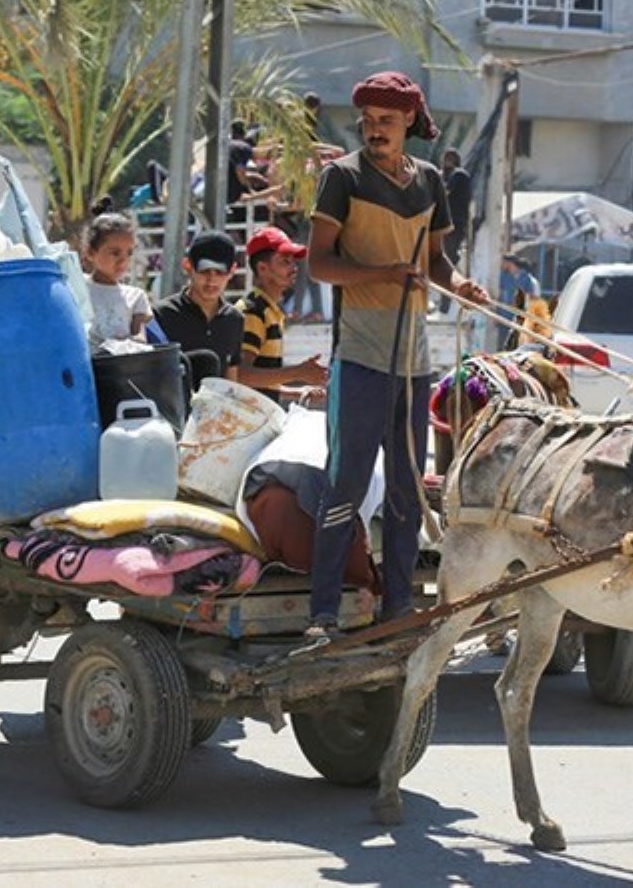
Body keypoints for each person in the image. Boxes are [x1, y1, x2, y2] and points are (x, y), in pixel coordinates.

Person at [304, 70, 489, 637]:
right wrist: (383, 273)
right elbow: (319, 263)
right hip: (360, 356)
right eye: (367, 121)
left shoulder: (429, 180)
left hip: (414, 360)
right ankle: (323, 611)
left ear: (409, 120)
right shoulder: (341, 177)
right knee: (347, 484)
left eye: (386, 120)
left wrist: (458, 284)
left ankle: (399, 605)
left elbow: (435, 261)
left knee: (409, 488)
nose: (374, 130)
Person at [237, 226, 328, 402]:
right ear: (262, 268)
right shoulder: (253, 312)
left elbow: (260, 385)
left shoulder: (270, 310)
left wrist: (298, 392)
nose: (294, 268)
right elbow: (242, 376)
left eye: (294, 261)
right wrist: (298, 372)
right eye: (285, 262)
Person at [153, 230, 246, 390]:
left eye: (220, 272)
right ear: (188, 266)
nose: (211, 280)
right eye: (204, 271)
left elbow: (231, 377)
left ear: (232, 271)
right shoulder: (161, 314)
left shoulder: (235, 319)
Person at [80, 210, 152, 345]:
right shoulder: (77, 288)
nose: (123, 261)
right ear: (90, 252)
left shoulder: (136, 297)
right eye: (115, 253)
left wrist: (123, 344)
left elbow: (140, 337)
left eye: (129, 253)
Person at [438, 148, 471, 313]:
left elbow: (444, 192)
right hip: (450, 225)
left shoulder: (459, 175)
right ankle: (445, 304)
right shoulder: (453, 176)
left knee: (447, 261)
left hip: (453, 225)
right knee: (446, 259)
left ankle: (445, 305)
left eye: (448, 159)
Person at [498, 254, 541, 349]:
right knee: (502, 343)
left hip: (519, 316)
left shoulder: (527, 278)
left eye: (503, 262)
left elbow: (532, 298)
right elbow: (500, 295)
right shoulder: (505, 276)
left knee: (516, 342)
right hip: (504, 315)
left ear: (509, 263)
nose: (501, 264)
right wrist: (498, 312)